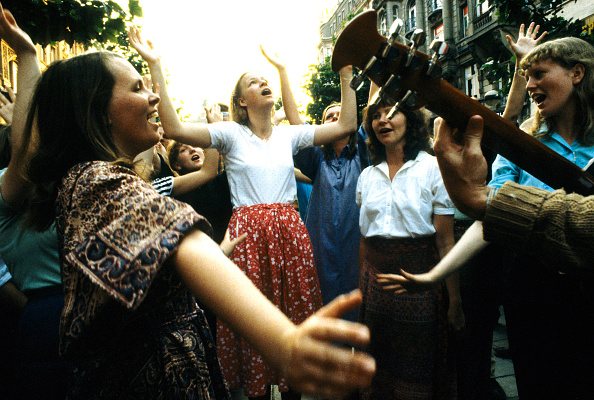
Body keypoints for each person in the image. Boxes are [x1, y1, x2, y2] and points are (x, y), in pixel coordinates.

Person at [0, 5, 376, 400]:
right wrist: (283, 341)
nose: (153, 96)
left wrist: (27, 55)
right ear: (98, 109)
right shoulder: (96, 181)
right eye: (137, 88)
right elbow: (178, 240)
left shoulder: (99, 178)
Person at [128, 28, 360, 400]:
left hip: (290, 233)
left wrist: (343, 73)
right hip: (249, 237)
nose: (263, 83)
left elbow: (346, 125)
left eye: (265, 80)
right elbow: (174, 128)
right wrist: (155, 64)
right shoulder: (230, 134)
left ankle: (296, 388)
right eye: (255, 82)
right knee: (251, 323)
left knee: (295, 317)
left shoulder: (288, 135)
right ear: (241, 100)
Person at [380, 35, 594, 400]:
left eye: (539, 73)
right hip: (533, 286)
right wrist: (436, 274)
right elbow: (491, 215)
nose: (530, 84)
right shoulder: (524, 145)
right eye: (526, 76)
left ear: (577, 73)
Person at [354, 98, 463, 399]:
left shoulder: (433, 168)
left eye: (391, 113)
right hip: (375, 286)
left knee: (417, 370)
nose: (382, 120)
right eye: (376, 116)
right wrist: (361, 291)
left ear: (412, 119)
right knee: (376, 373)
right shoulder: (367, 176)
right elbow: (364, 241)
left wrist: (454, 301)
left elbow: (445, 241)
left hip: (419, 283)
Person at [293, 102, 368, 322]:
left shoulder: (363, 154)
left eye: (340, 114)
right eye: (329, 116)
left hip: (357, 243)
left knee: (358, 303)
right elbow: (297, 125)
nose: (335, 118)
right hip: (321, 244)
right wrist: (283, 79)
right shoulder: (317, 158)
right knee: (323, 304)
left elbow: (371, 106)